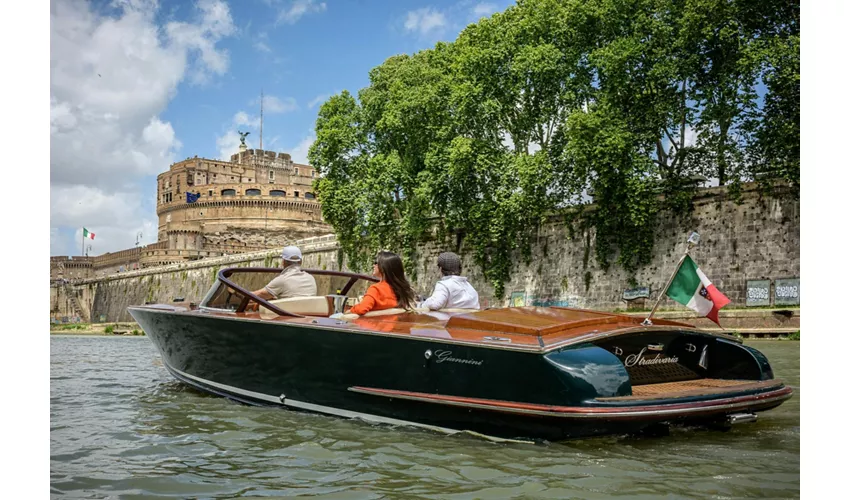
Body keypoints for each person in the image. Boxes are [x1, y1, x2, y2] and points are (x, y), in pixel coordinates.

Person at [348, 251, 416, 315]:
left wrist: (348, 312)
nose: (373, 265)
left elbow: (361, 309)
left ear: (383, 268)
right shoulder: (402, 290)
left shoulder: (376, 289)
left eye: (375, 262)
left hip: (375, 326)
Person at [251, 246, 317, 302]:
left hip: (289, 315)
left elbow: (259, 294)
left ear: (283, 262)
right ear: (301, 262)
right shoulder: (311, 278)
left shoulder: (282, 280)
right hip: (311, 316)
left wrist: (242, 293)